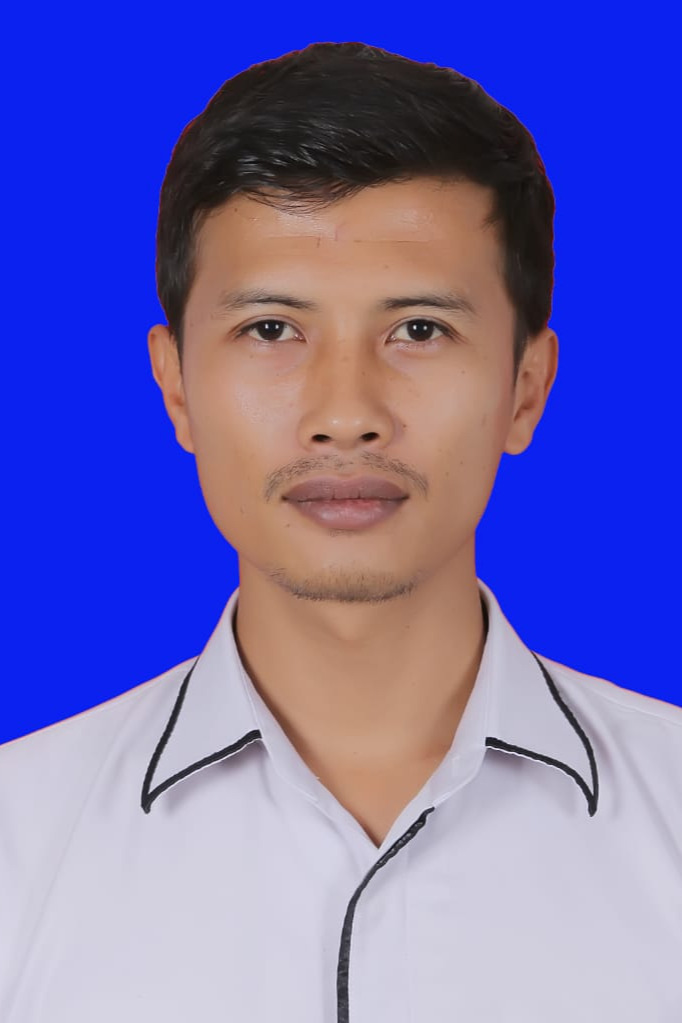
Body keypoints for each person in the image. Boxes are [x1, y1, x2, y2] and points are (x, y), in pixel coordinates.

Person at [1, 40, 680, 1023]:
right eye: (272, 330)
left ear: (526, 387)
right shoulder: (20, 845)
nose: (346, 414)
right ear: (176, 385)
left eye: (419, 330)